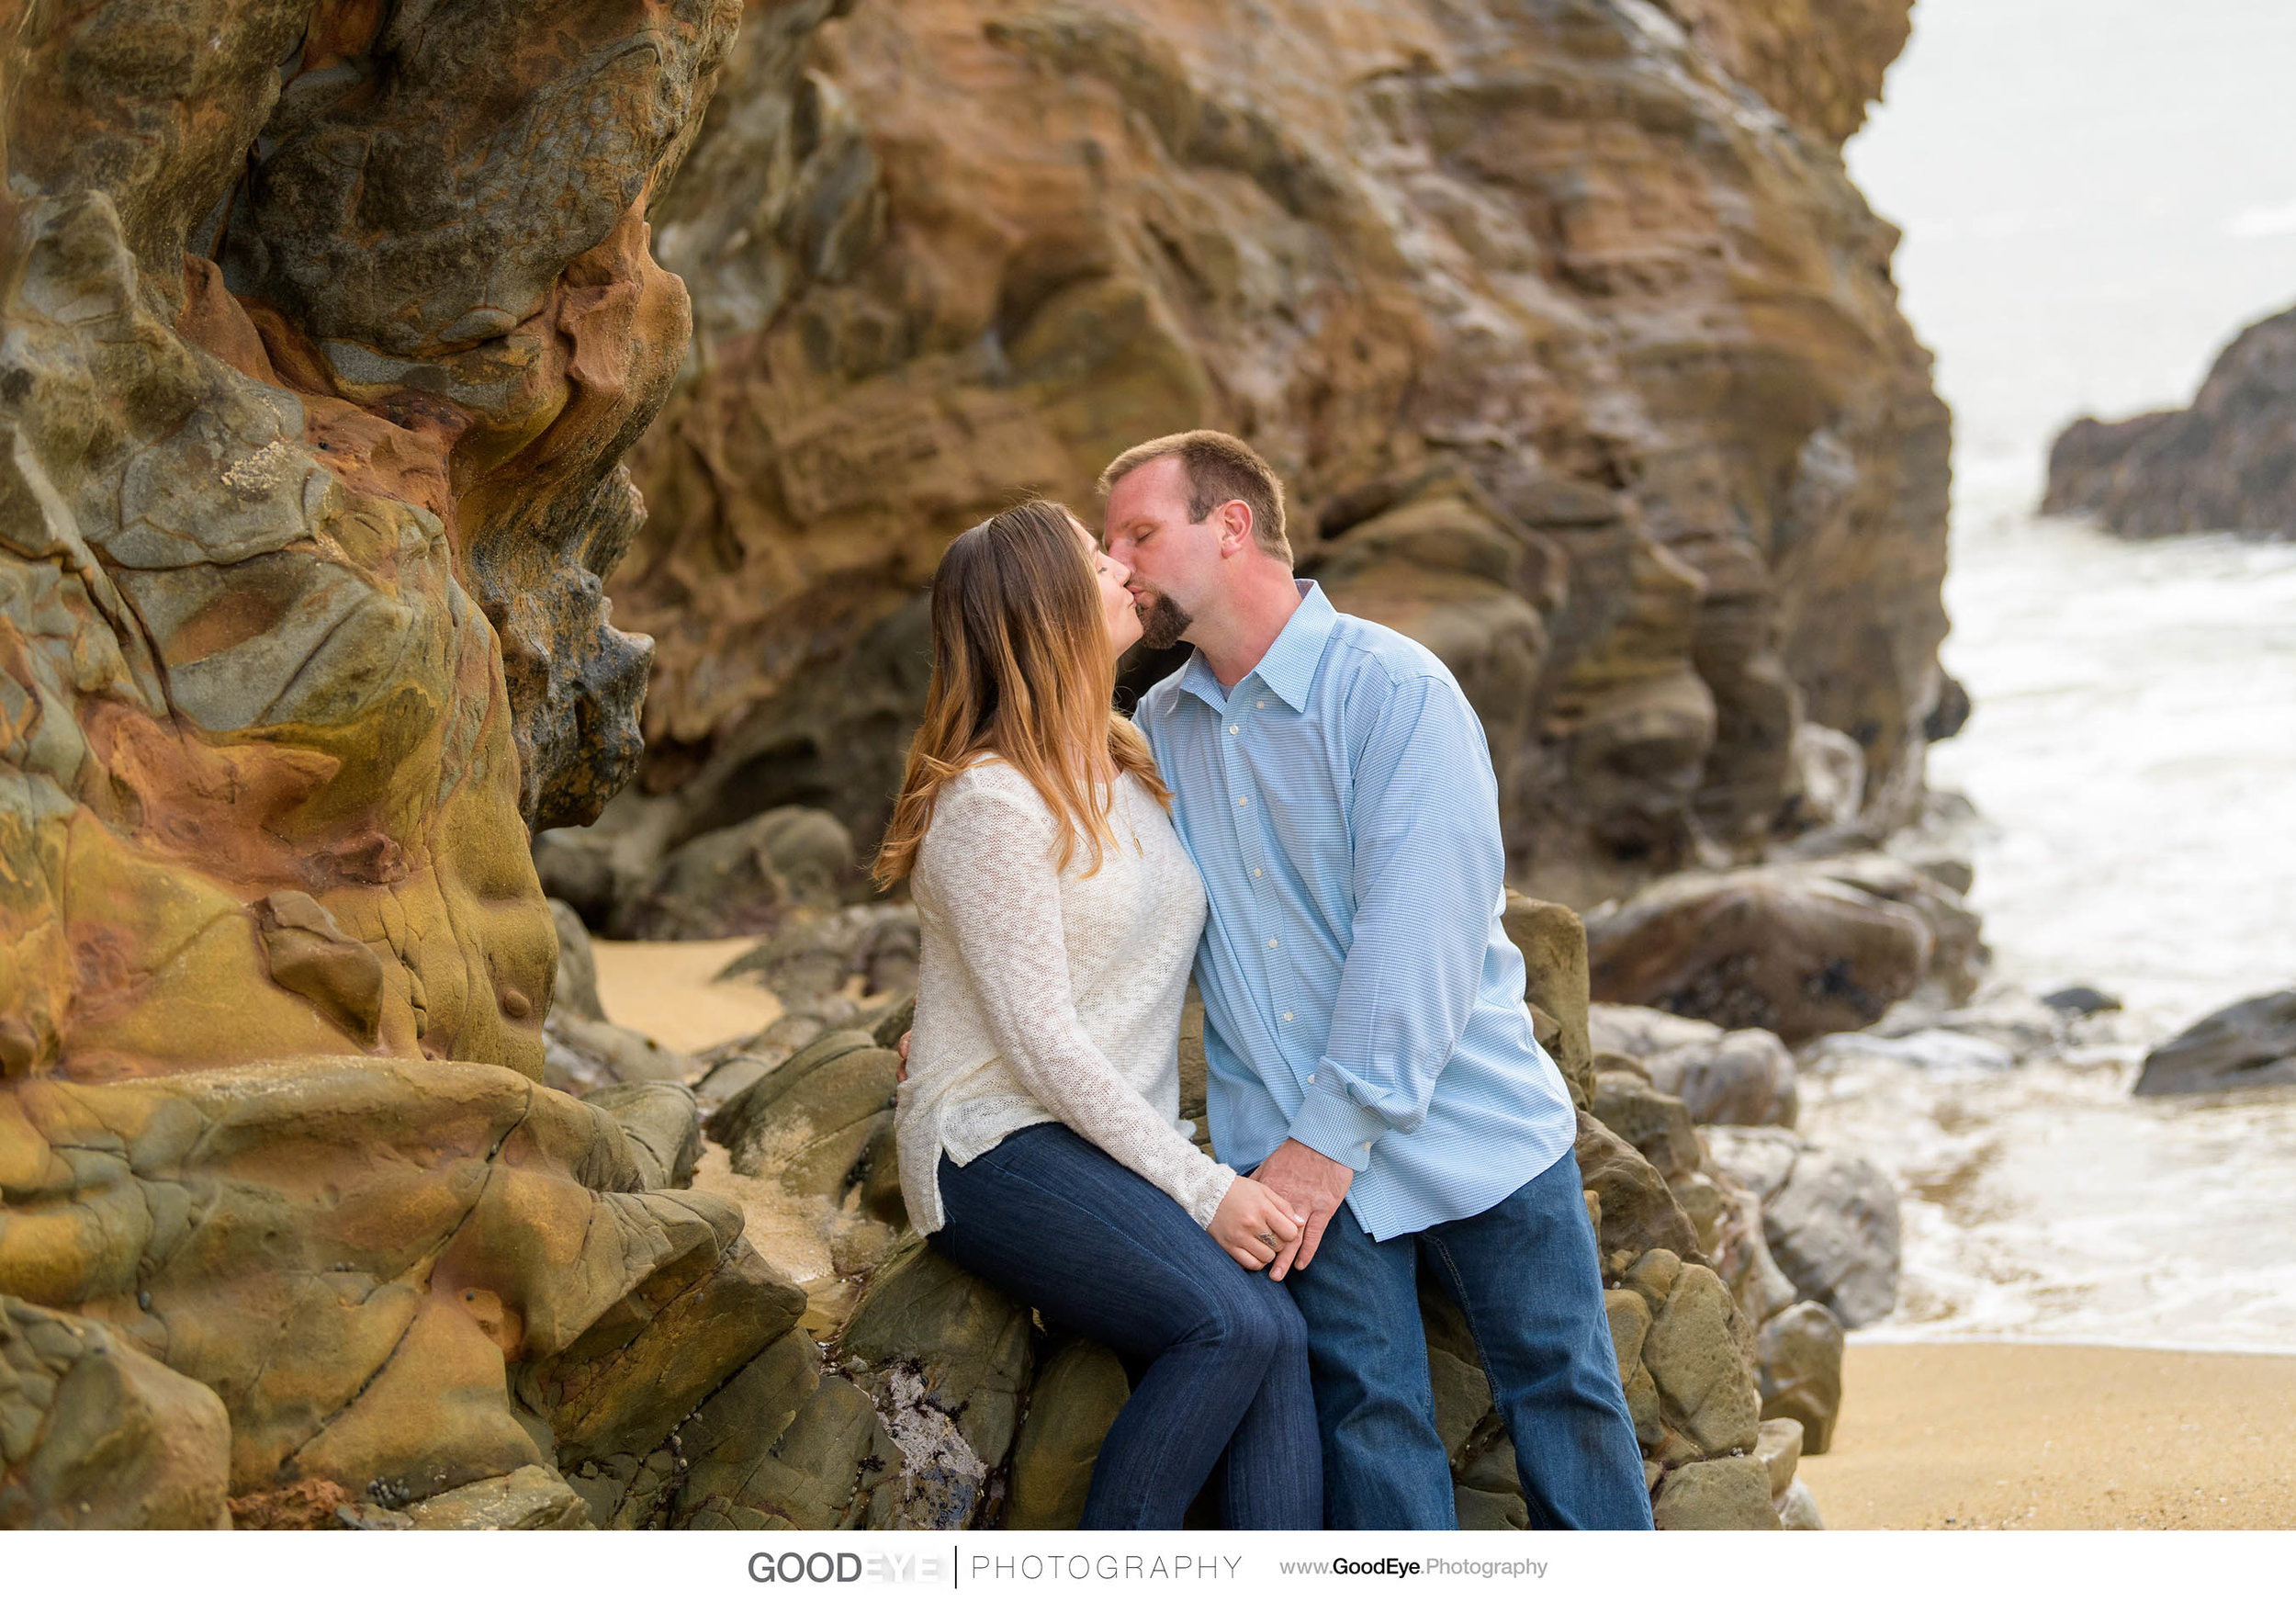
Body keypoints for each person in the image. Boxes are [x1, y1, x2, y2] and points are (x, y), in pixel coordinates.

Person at [1100, 431, 1654, 1531]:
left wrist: (1327, 1143)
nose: (1116, 564)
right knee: (1371, 1424)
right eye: (1110, 543)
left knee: (1567, 1400)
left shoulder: (1396, 690)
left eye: (1139, 534)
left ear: (1231, 525)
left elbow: (1423, 936)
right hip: (1289, 1155)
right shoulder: (1156, 728)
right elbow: (1110, 904)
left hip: (1475, 1121)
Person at [875, 500, 1322, 1530]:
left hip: (1099, 1135)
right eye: (1093, 554)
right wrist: (1204, 1187)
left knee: (1279, 1334)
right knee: (1233, 1330)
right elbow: (1039, 1039)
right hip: (990, 1145)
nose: (1123, 566)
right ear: (1046, 605)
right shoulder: (992, 802)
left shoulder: (1126, 763)